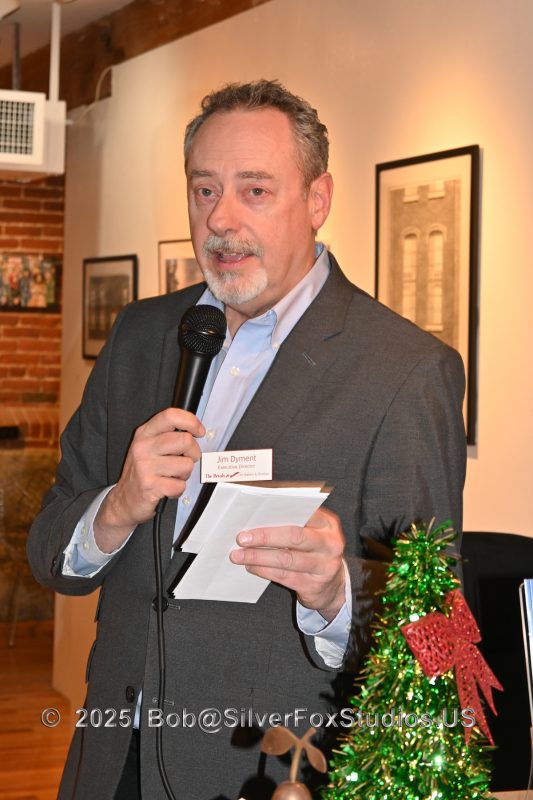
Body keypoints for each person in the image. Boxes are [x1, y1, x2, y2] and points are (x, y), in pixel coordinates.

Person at [28, 80, 466, 800]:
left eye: (254, 191)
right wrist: (116, 509)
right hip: (111, 759)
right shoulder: (141, 334)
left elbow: (436, 622)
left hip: (271, 771)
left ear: (317, 200)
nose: (221, 219)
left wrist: (335, 591)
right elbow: (51, 550)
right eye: (204, 190)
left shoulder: (404, 370)